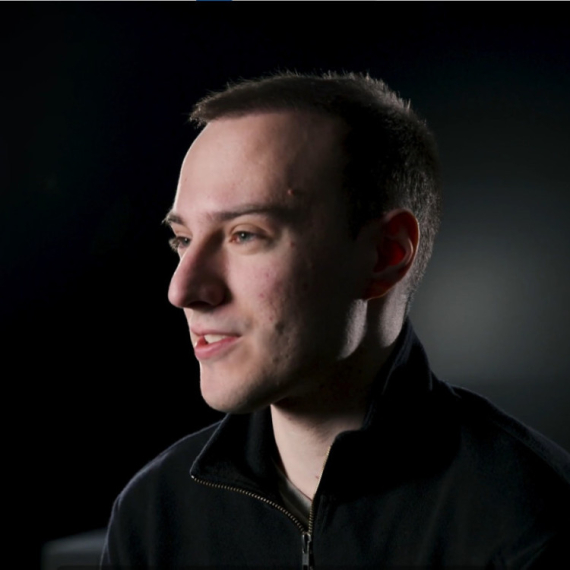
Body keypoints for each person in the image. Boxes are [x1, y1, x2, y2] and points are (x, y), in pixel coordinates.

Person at [101, 72, 569, 569]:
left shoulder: (532, 523)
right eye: (183, 239)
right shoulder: (153, 517)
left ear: (385, 255)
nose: (182, 290)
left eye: (245, 235)